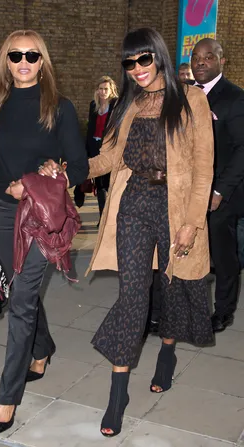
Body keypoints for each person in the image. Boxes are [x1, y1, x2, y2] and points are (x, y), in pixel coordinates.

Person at [84, 27, 214, 437]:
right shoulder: (128, 104)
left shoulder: (191, 99)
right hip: (135, 203)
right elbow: (107, 157)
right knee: (132, 294)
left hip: (175, 207)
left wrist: (192, 223)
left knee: (172, 287)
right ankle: (117, 391)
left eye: (144, 59)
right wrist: (69, 167)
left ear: (157, 55)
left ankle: (167, 354)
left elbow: (203, 168)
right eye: (129, 62)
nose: (137, 69)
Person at [0, 29, 88, 437]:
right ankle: (42, 350)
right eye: (15, 55)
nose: (23, 62)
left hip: (39, 217)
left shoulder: (59, 108)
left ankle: (7, 398)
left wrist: (51, 175)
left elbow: (81, 167)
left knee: (20, 301)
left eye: (32, 56)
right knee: (22, 290)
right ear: (5, 60)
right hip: (3, 213)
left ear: (43, 62)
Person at [191, 38, 244, 333]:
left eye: (208, 57)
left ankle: (223, 311)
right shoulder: (185, 95)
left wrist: (219, 191)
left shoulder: (235, 98)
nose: (200, 62)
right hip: (189, 191)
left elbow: (242, 149)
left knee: (223, 256)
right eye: (196, 57)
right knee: (192, 251)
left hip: (222, 195)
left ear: (221, 61)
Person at [86, 76, 118, 219]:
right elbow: (90, 129)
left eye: (106, 89)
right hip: (94, 147)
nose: (103, 92)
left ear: (111, 90)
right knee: (99, 185)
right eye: (100, 89)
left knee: (109, 184)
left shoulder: (116, 105)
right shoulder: (93, 105)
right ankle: (102, 217)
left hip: (109, 149)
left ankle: (111, 217)